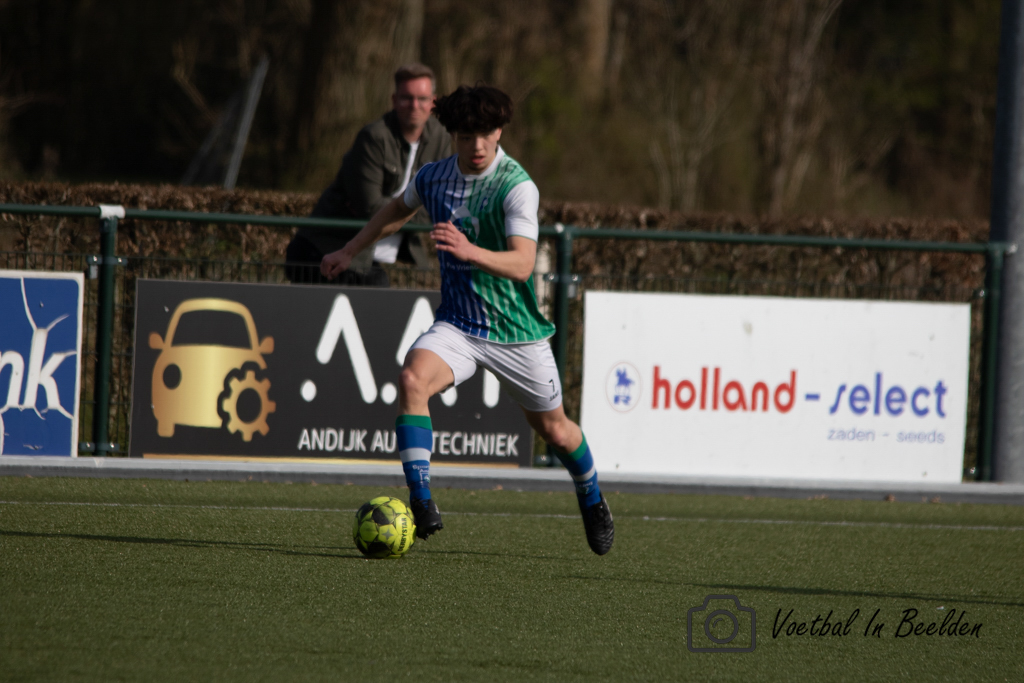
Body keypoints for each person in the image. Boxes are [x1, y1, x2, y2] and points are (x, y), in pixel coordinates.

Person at [321, 85, 614, 555]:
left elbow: (523, 264)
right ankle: (421, 501)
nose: (477, 145)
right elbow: (397, 209)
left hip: (516, 333)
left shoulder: (516, 185)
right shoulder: (434, 177)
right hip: (459, 325)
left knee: (556, 431)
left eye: (485, 134)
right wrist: (350, 250)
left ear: (500, 132)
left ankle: (591, 494)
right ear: (452, 135)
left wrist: (468, 250)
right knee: (412, 378)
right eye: (465, 136)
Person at [286, 63, 450, 285]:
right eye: (407, 98)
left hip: (372, 258)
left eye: (422, 98)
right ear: (394, 100)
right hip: (325, 252)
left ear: (433, 102)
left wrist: (415, 209)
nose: (414, 105)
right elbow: (370, 208)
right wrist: (418, 207)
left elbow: (441, 203)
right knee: (378, 291)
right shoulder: (374, 137)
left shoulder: (441, 138)